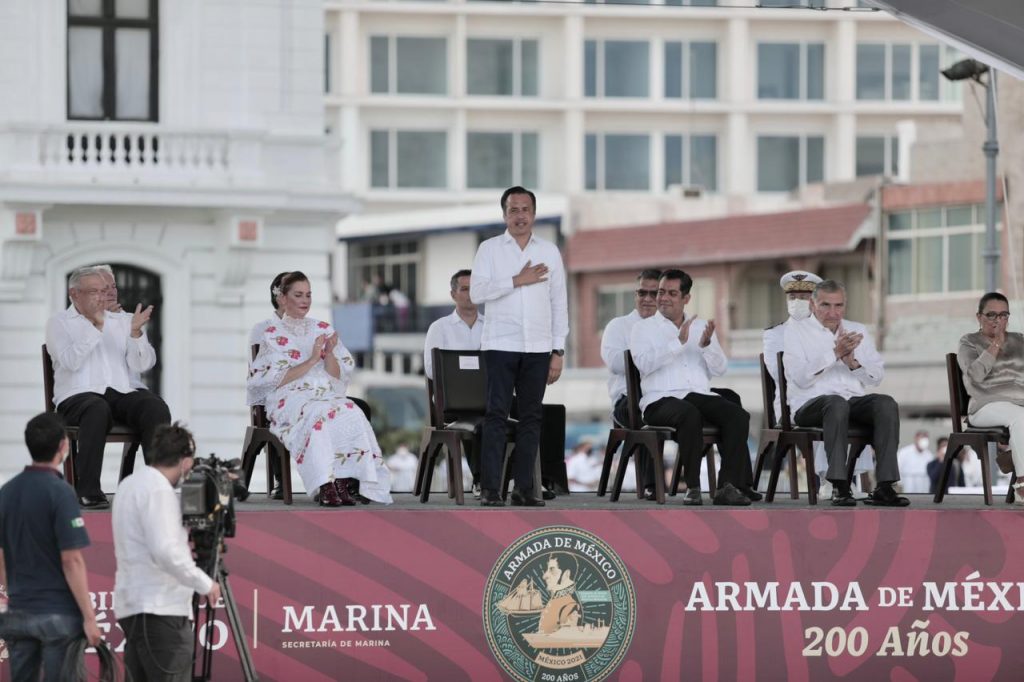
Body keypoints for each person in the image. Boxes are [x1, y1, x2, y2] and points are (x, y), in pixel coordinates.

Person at [246, 271, 392, 506]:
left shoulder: (321, 327)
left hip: (323, 393)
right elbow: (271, 380)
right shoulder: (270, 333)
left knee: (351, 410)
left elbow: (337, 377)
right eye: (298, 295)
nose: (305, 300)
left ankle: (344, 481)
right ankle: (325, 483)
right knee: (317, 414)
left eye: (308, 295)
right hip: (287, 397)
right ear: (282, 298)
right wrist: (313, 359)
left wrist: (330, 352)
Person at [470, 186, 568, 507]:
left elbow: (559, 304)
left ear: (534, 214)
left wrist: (558, 350)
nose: (520, 215)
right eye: (513, 210)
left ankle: (524, 488)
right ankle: (490, 489)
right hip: (500, 344)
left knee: (531, 417)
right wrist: (516, 280)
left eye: (525, 209)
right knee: (496, 416)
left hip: (539, 347)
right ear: (504, 215)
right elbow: (476, 294)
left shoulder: (550, 251)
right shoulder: (489, 249)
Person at [45, 265, 171, 509]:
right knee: (96, 408)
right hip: (77, 395)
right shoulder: (59, 322)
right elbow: (70, 361)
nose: (102, 296)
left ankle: (158, 486)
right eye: (94, 291)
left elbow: (143, 364)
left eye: (104, 290)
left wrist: (135, 332)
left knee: (154, 406)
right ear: (75, 294)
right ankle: (89, 489)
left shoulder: (123, 320)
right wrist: (96, 326)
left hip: (120, 391)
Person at [629, 269, 756, 506]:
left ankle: (727, 486)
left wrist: (707, 346)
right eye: (661, 292)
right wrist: (677, 343)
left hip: (696, 394)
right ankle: (693, 487)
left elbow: (720, 369)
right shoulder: (643, 329)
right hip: (659, 400)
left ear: (686, 298)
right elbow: (643, 364)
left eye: (672, 293)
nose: (663, 298)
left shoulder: (700, 327)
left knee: (737, 414)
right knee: (689, 414)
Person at [782, 279, 908, 507]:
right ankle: (840, 484)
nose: (833, 313)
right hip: (808, 406)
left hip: (850, 403)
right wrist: (834, 354)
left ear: (845, 305)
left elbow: (877, 376)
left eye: (838, 305)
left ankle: (885, 485)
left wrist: (853, 364)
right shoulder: (795, 331)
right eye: (825, 305)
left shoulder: (857, 330)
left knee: (886, 403)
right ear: (812, 304)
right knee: (836, 403)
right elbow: (800, 378)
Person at [112, 423, 221, 682]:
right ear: (185, 461)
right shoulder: (159, 490)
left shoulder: (129, 484)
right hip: (161, 608)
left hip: (133, 606)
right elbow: (166, 551)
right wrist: (205, 583)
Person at [0, 414, 101, 681]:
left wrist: (12, 590)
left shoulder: (6, 492)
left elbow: (1, 554)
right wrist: (89, 617)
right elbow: (72, 560)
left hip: (19, 612)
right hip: (56, 612)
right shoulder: (60, 491)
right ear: (63, 447)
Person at [957, 291, 1024, 504]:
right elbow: (974, 376)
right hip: (984, 406)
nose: (998, 320)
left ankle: (1012, 454)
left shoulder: (1019, 340)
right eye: (992, 315)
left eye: (1003, 315)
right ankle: (1022, 484)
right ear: (979, 317)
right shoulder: (969, 342)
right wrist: (996, 344)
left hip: (1019, 404)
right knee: (1020, 417)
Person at [423, 269, 486, 495]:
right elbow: (431, 370)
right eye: (465, 289)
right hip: (450, 404)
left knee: (535, 412)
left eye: (475, 288)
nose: (470, 294)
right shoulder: (439, 328)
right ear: (453, 294)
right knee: (480, 420)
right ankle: (482, 481)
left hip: (487, 398)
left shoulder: (492, 327)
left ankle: (538, 481)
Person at [601, 269, 662, 499]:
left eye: (653, 293)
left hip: (665, 395)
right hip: (627, 400)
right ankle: (651, 485)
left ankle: (712, 485)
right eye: (641, 292)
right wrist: (653, 357)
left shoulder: (669, 326)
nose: (647, 299)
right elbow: (617, 364)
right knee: (645, 410)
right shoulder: (618, 326)